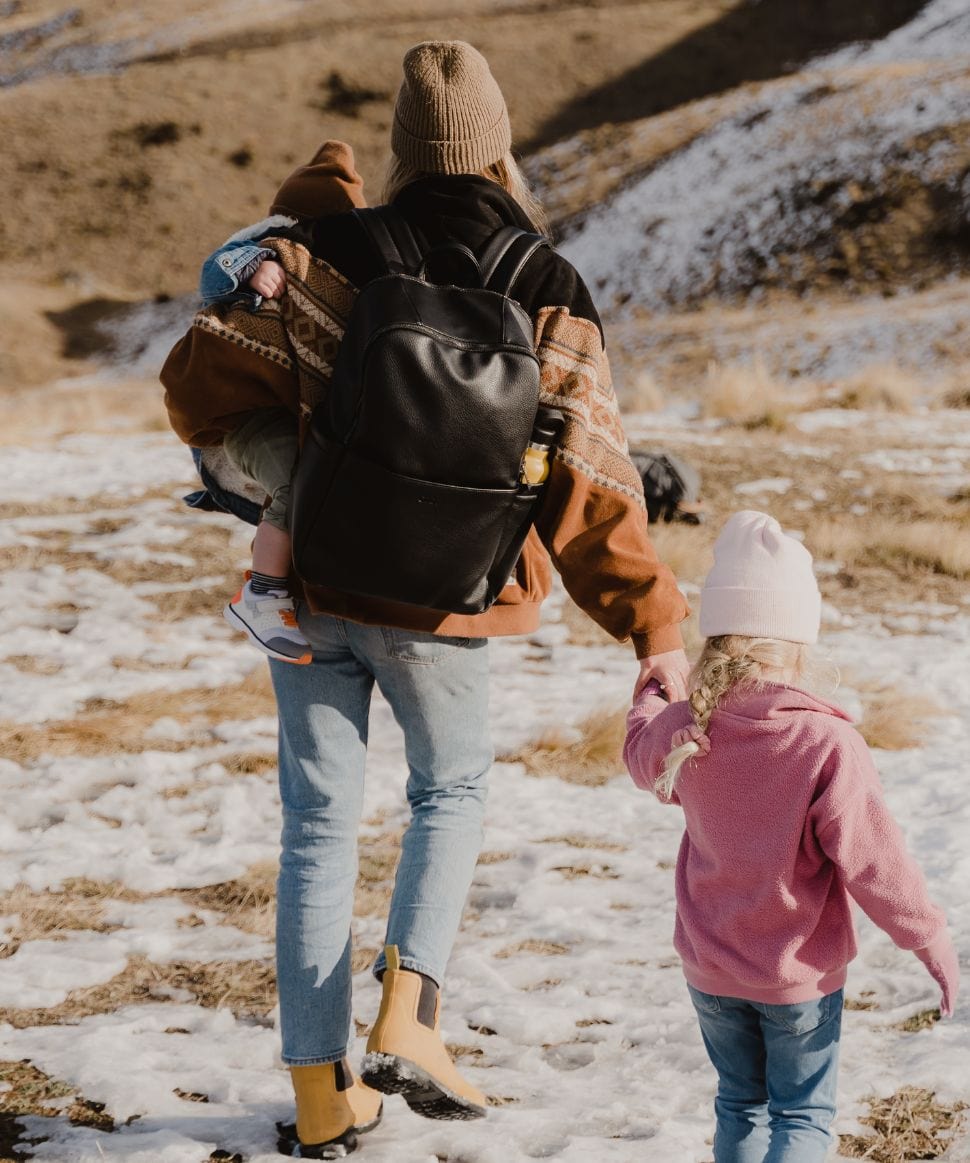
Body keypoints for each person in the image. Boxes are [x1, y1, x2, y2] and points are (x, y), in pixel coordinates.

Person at [162, 40, 690, 1159]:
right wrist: (658, 628)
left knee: (316, 821)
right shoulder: (549, 283)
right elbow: (595, 486)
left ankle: (319, 1093)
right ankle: (413, 1012)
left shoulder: (326, 253)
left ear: (404, 147)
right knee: (449, 789)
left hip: (313, 580)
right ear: (498, 146)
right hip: (450, 594)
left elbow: (195, 383)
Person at [623, 510, 959, 1163]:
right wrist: (930, 937)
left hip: (712, 967)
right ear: (800, 640)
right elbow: (876, 862)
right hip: (796, 974)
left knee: (740, 1104)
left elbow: (639, 752)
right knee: (802, 1117)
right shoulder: (826, 741)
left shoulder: (687, 725)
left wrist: (647, 694)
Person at [200, 141, 367, 665]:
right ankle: (263, 593)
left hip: (283, 414)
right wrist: (251, 268)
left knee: (304, 484)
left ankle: (284, 572)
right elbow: (212, 274)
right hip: (251, 415)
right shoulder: (261, 244)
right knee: (297, 480)